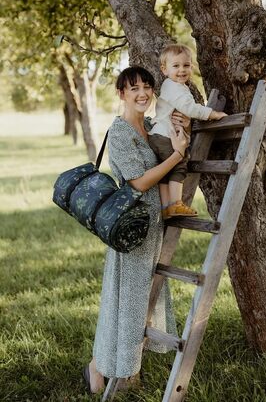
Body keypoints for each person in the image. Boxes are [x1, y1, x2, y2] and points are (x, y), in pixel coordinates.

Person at [83, 66, 189, 394]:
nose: (142, 93)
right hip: (132, 229)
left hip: (153, 226)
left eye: (146, 87)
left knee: (143, 300)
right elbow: (139, 181)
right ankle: (101, 366)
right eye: (133, 89)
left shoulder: (148, 127)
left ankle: (121, 368)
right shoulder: (120, 132)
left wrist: (179, 132)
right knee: (126, 300)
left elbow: (167, 159)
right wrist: (177, 157)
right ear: (121, 94)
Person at [148, 43, 227, 219]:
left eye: (186, 65)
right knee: (179, 165)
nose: (182, 70)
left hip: (158, 135)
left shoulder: (172, 86)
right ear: (164, 69)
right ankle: (175, 204)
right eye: (176, 66)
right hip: (166, 136)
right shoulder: (174, 87)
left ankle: (166, 207)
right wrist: (212, 114)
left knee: (164, 171)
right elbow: (189, 108)